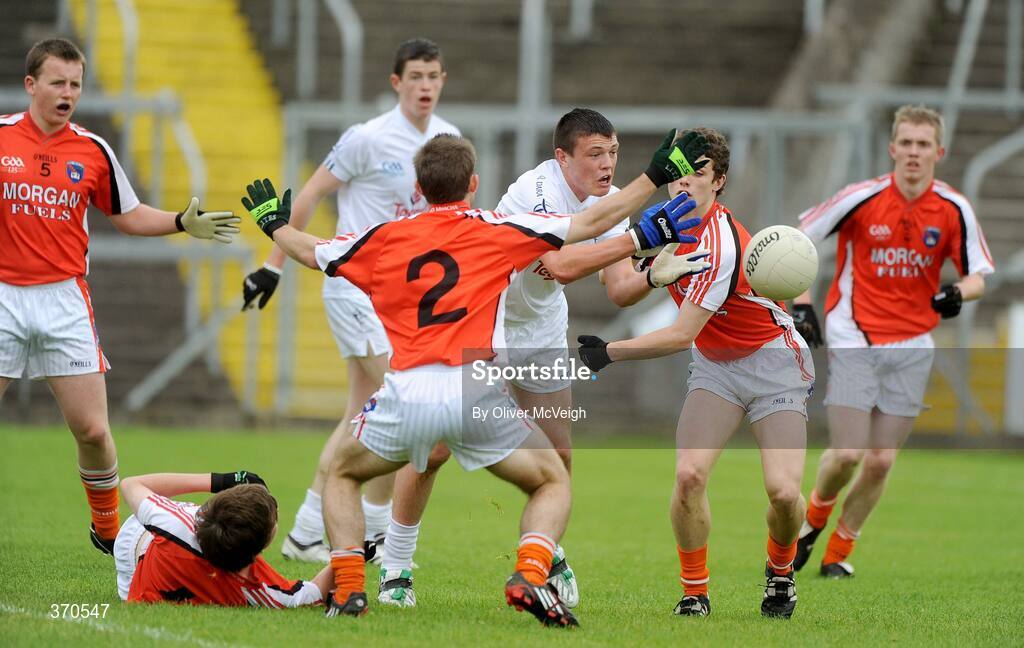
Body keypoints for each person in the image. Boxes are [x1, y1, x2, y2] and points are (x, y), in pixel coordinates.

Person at [240, 130, 707, 624]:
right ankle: (528, 575)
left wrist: (274, 226)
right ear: (474, 184)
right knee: (552, 480)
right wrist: (651, 189)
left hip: (407, 390)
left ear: (417, 190)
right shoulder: (498, 228)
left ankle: (350, 590)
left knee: (342, 474)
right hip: (474, 386)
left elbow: (310, 250)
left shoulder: (379, 239)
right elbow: (589, 222)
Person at [377, 109, 711, 609]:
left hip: (541, 332)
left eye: (613, 152)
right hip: (484, 326)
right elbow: (557, 263)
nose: (606, 164)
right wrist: (641, 236)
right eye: (595, 154)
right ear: (562, 158)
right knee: (436, 448)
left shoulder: (609, 203)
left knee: (559, 457)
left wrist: (655, 276)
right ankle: (396, 568)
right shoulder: (534, 192)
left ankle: (544, 556)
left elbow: (618, 288)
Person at [0, 39, 240, 554]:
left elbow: (128, 215)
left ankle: (106, 526)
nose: (68, 94)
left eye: (76, 84)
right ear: (31, 85)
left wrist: (181, 221)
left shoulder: (92, 150)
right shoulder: (1, 138)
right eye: (58, 83)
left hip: (65, 301)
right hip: (3, 297)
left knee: (91, 429)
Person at [576, 128, 814, 619]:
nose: (683, 185)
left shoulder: (722, 244)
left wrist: (610, 352)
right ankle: (694, 593)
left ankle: (781, 572)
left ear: (719, 181)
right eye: (677, 175)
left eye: (697, 175)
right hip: (716, 367)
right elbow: (619, 290)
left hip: (773, 362)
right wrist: (647, 267)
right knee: (688, 477)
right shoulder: (657, 224)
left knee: (785, 493)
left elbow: (680, 335)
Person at [239, 38, 460, 565]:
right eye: (416, 77)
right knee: (404, 402)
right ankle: (379, 534)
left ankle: (306, 532)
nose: (425, 85)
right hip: (353, 288)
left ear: (442, 80)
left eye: (433, 75)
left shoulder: (448, 138)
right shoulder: (367, 139)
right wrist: (274, 267)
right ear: (396, 83)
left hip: (401, 298)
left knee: (362, 414)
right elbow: (309, 195)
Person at [791, 105, 994, 578]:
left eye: (923, 145)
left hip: (913, 343)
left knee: (880, 461)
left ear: (938, 152)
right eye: (906, 142)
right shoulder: (861, 197)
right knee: (847, 453)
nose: (913, 153)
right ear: (892, 148)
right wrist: (802, 304)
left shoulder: (952, 208)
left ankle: (838, 554)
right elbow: (797, 241)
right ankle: (813, 521)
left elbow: (978, 276)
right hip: (854, 332)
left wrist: (955, 294)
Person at [114, 469, 331, 606]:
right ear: (260, 547)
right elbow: (311, 593)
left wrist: (219, 480)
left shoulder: (179, 523)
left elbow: (130, 484)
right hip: (133, 581)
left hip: (135, 544)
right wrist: (351, 551)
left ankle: (106, 534)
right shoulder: (255, 587)